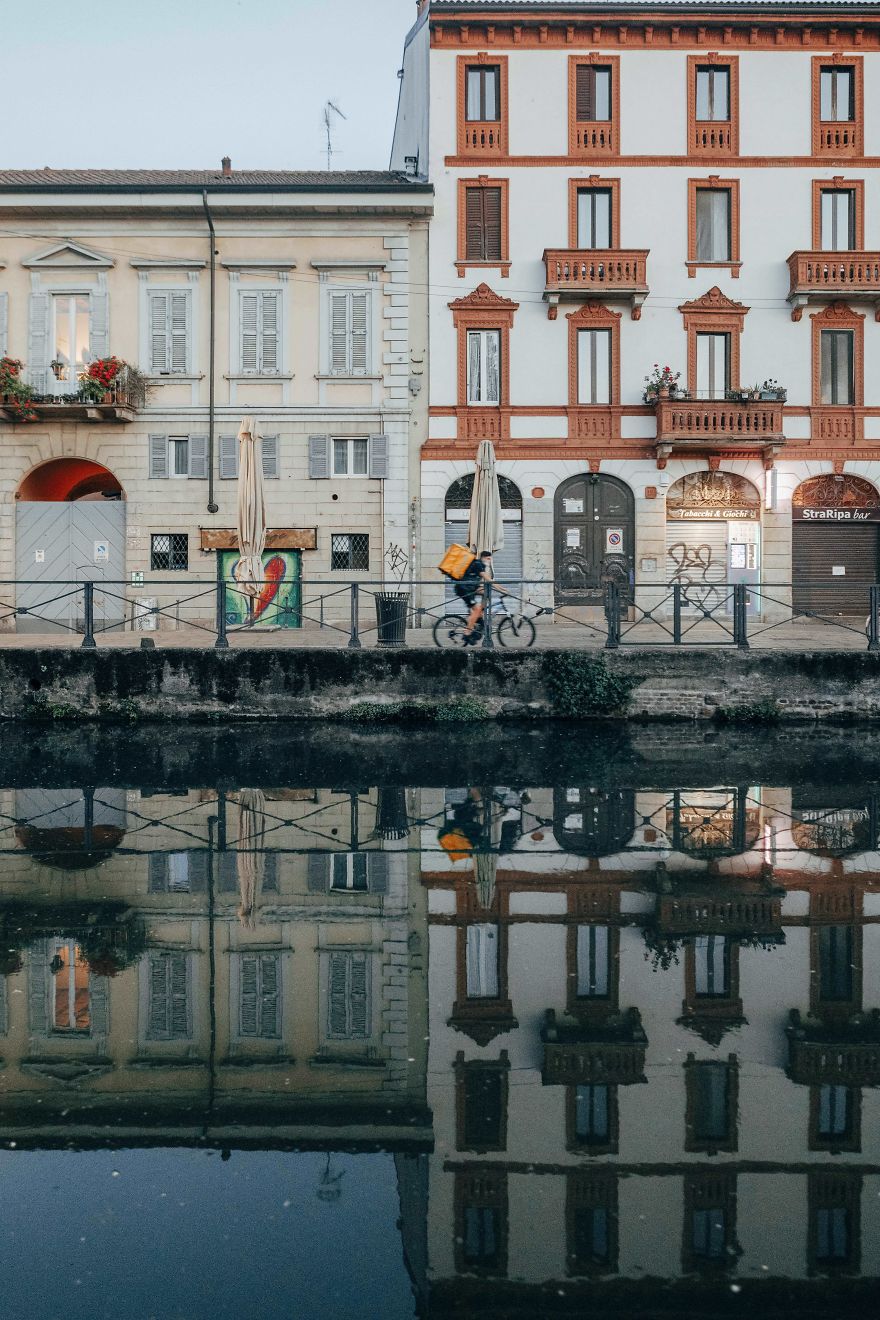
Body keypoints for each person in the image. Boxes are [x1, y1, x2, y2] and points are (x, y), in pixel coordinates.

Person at [454, 549, 504, 645]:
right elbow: (488, 579)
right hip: (464, 589)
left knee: (485, 593)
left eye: (490, 559)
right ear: (483, 558)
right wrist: (501, 588)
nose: (489, 561)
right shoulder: (478, 564)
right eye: (488, 559)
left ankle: (479, 617)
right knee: (476, 609)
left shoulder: (481, 565)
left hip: (470, 588)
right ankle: (467, 632)